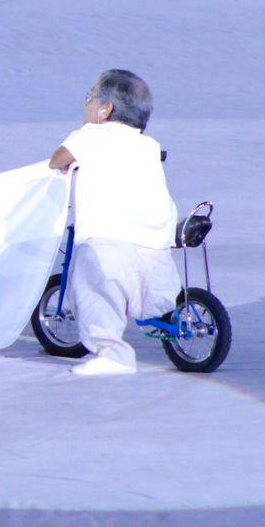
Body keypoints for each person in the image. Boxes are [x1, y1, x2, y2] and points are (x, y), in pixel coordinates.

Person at [48, 70, 179, 376]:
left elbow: (56, 160)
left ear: (105, 109)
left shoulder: (90, 135)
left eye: (90, 97)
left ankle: (112, 354)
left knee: (95, 289)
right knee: (152, 294)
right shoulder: (148, 145)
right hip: (155, 240)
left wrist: (69, 161)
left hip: (106, 240)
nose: (86, 104)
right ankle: (163, 316)